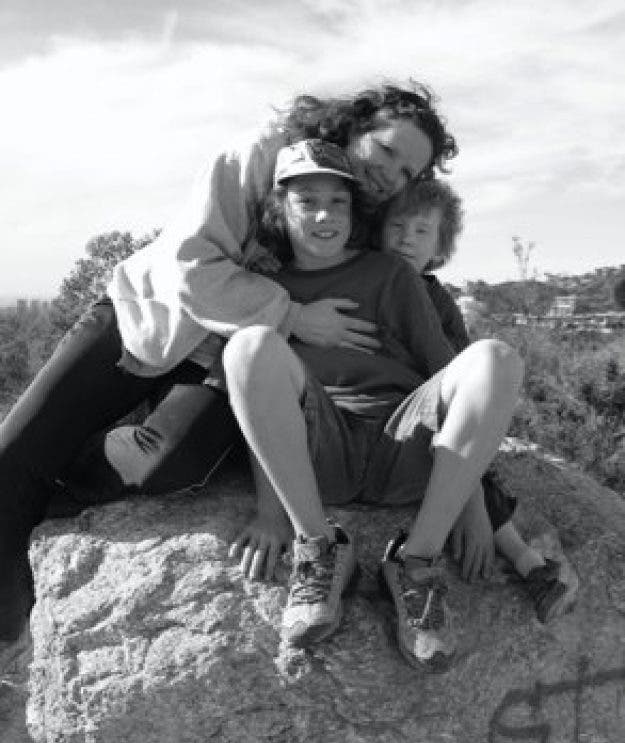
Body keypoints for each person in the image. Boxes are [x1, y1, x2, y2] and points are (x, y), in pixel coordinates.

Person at [0, 81, 457, 663]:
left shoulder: (362, 211)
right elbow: (190, 266)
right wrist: (295, 316)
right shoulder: (261, 154)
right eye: (386, 150)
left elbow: (405, 296)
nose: (390, 173)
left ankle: (68, 480)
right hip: (150, 318)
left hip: (227, 354)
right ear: (356, 125)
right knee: (16, 455)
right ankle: (7, 629)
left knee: (164, 464)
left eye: (407, 171)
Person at [222, 138, 528, 671]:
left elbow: (450, 376)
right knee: (247, 346)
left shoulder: (390, 274)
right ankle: (319, 549)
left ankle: (416, 563)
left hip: (405, 444)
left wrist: (472, 506)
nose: (324, 215)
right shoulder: (268, 290)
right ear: (279, 208)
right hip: (322, 450)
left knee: (495, 358)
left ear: (353, 211)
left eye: (338, 202)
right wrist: (271, 514)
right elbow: (256, 401)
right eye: (307, 201)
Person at [379, 177, 579, 617]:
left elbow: (467, 382)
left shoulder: (439, 302)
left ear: (440, 246)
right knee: (464, 465)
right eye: (397, 226)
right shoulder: (373, 284)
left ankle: (527, 562)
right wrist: (469, 511)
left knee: (472, 459)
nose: (406, 239)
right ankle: (525, 560)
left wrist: (471, 505)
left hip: (438, 414)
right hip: (395, 424)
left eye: (421, 231)